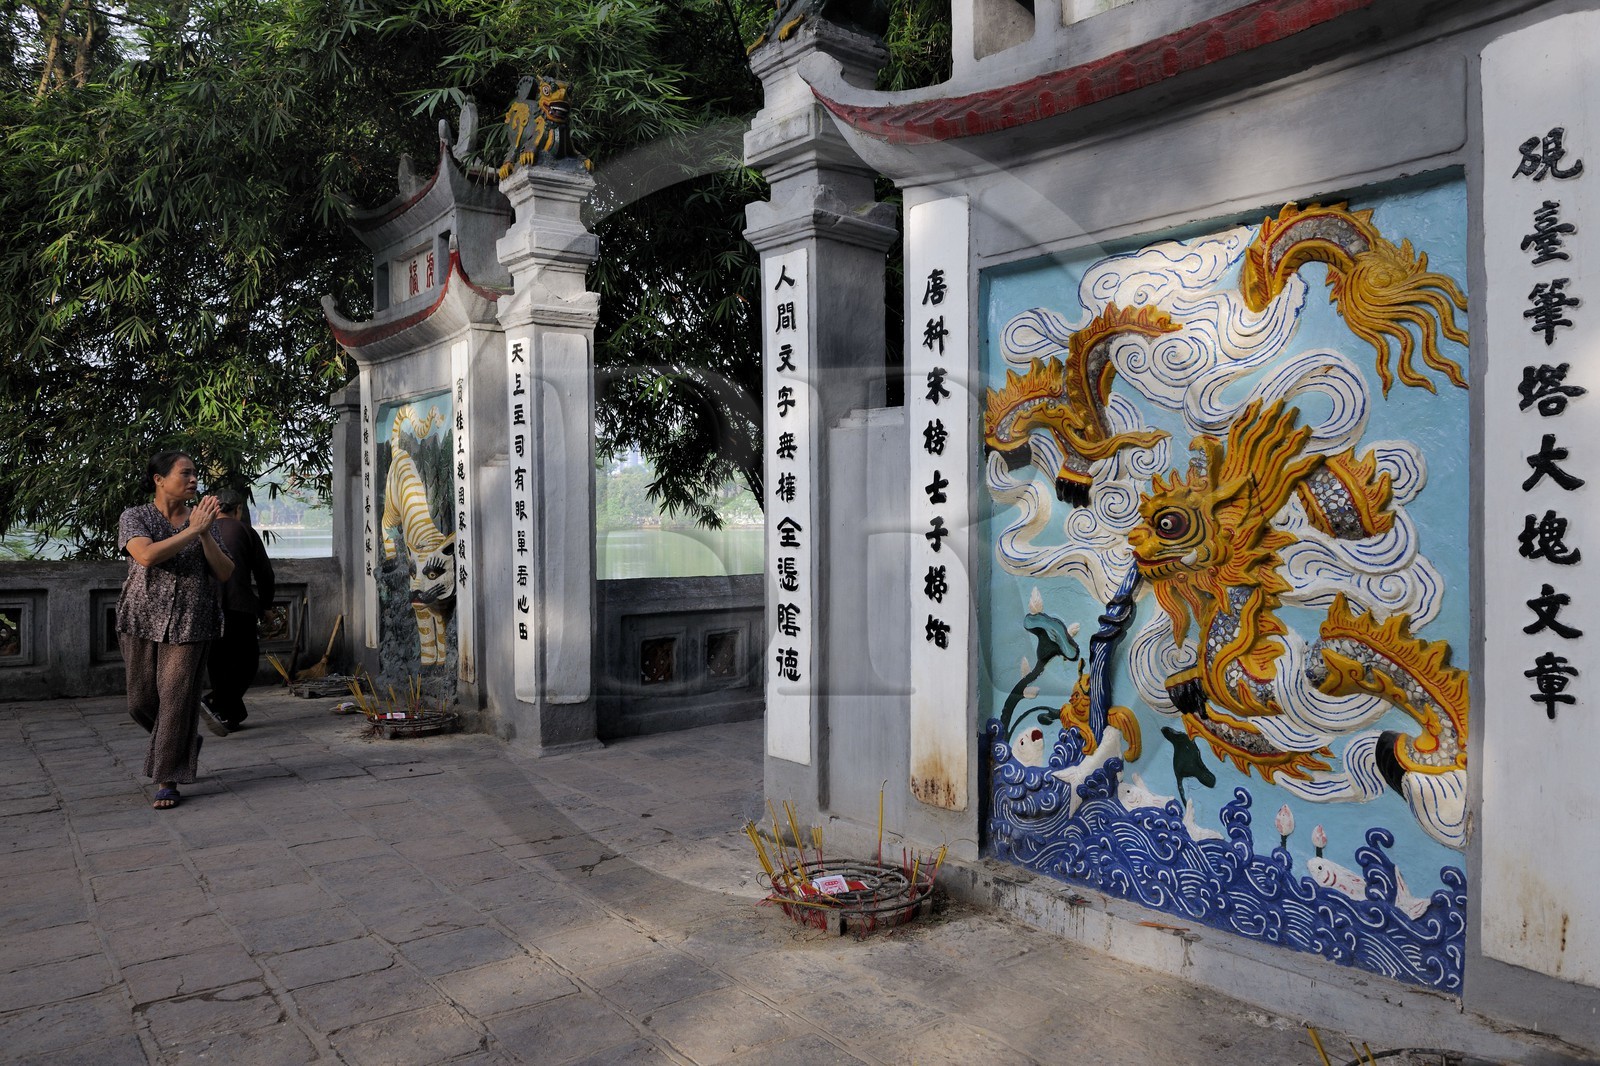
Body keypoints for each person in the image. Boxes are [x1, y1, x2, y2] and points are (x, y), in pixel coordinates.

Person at [116, 451, 234, 810]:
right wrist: (191, 532)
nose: (194, 479)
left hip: (191, 621)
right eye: (185, 473)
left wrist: (205, 534)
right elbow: (147, 556)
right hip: (140, 618)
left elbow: (225, 571)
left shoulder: (204, 521)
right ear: (159, 479)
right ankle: (183, 740)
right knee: (140, 703)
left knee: (174, 702)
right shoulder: (135, 516)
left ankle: (167, 779)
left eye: (196, 474)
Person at [203, 489, 275, 730]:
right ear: (238, 510)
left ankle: (227, 713)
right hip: (238, 605)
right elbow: (264, 573)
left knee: (217, 661)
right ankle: (217, 703)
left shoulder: (201, 532)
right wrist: (266, 606)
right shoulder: (244, 530)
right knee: (247, 662)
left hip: (207, 606)